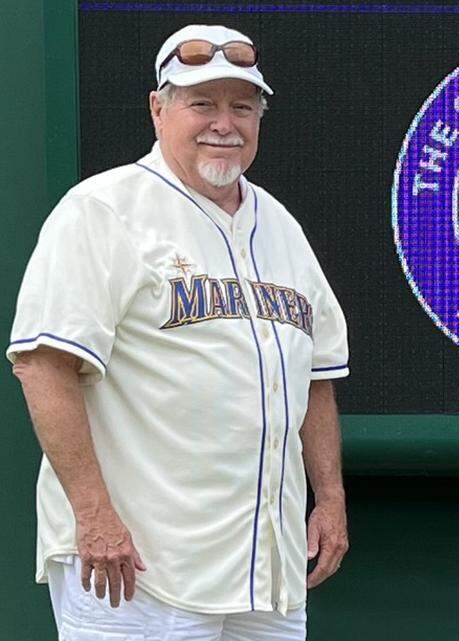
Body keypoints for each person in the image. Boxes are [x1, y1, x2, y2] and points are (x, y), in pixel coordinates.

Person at [8, 24, 350, 639]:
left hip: (266, 572)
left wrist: (329, 501)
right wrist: (93, 515)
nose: (225, 123)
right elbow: (43, 364)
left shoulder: (282, 228)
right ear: (158, 109)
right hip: (137, 567)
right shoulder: (103, 209)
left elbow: (317, 378)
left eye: (241, 106)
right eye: (202, 103)